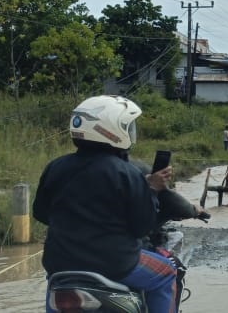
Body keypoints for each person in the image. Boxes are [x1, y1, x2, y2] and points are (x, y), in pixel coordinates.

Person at [33, 95, 178, 313]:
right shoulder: (127, 173)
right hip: (117, 264)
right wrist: (152, 192)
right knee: (166, 273)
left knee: (57, 284)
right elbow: (143, 227)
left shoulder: (55, 167)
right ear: (113, 129)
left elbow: (41, 213)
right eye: (128, 127)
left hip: (59, 262)